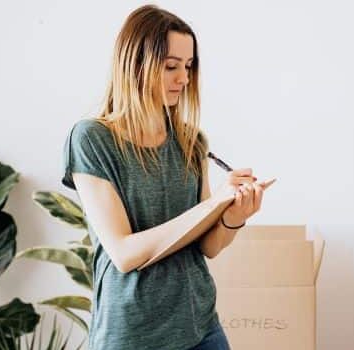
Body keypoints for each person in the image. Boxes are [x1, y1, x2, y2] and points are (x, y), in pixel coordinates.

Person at [61, 5, 265, 349]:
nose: (183, 79)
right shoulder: (91, 139)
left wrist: (233, 216)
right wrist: (213, 203)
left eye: (188, 67)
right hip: (131, 335)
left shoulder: (191, 141)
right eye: (171, 66)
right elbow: (124, 254)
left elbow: (207, 247)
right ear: (135, 64)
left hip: (201, 327)